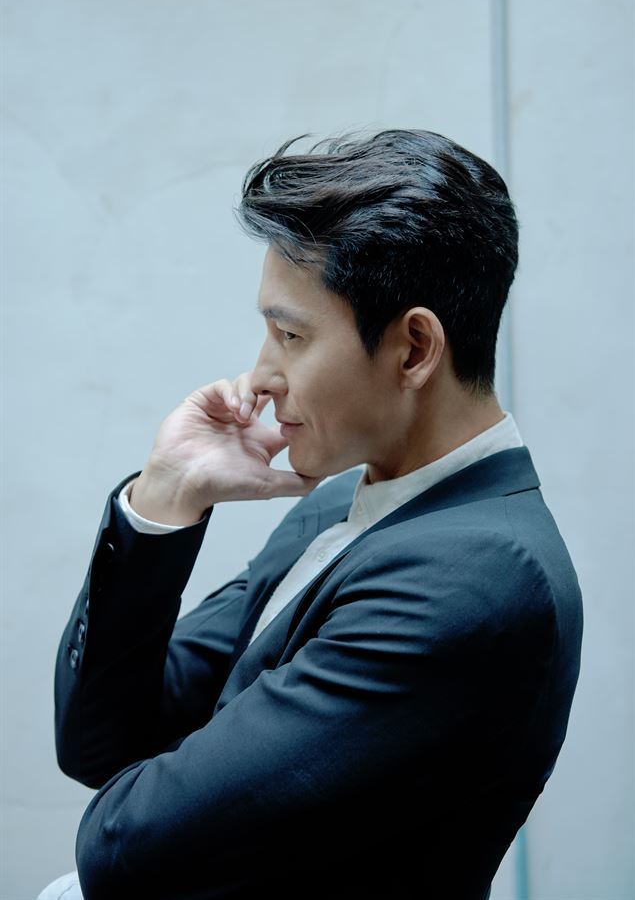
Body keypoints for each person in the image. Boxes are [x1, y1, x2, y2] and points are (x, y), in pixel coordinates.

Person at [44, 129, 583, 900]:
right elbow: (102, 743)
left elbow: (127, 847)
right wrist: (165, 494)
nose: (260, 377)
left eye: (290, 335)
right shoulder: (339, 500)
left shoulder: (474, 577)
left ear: (414, 349)